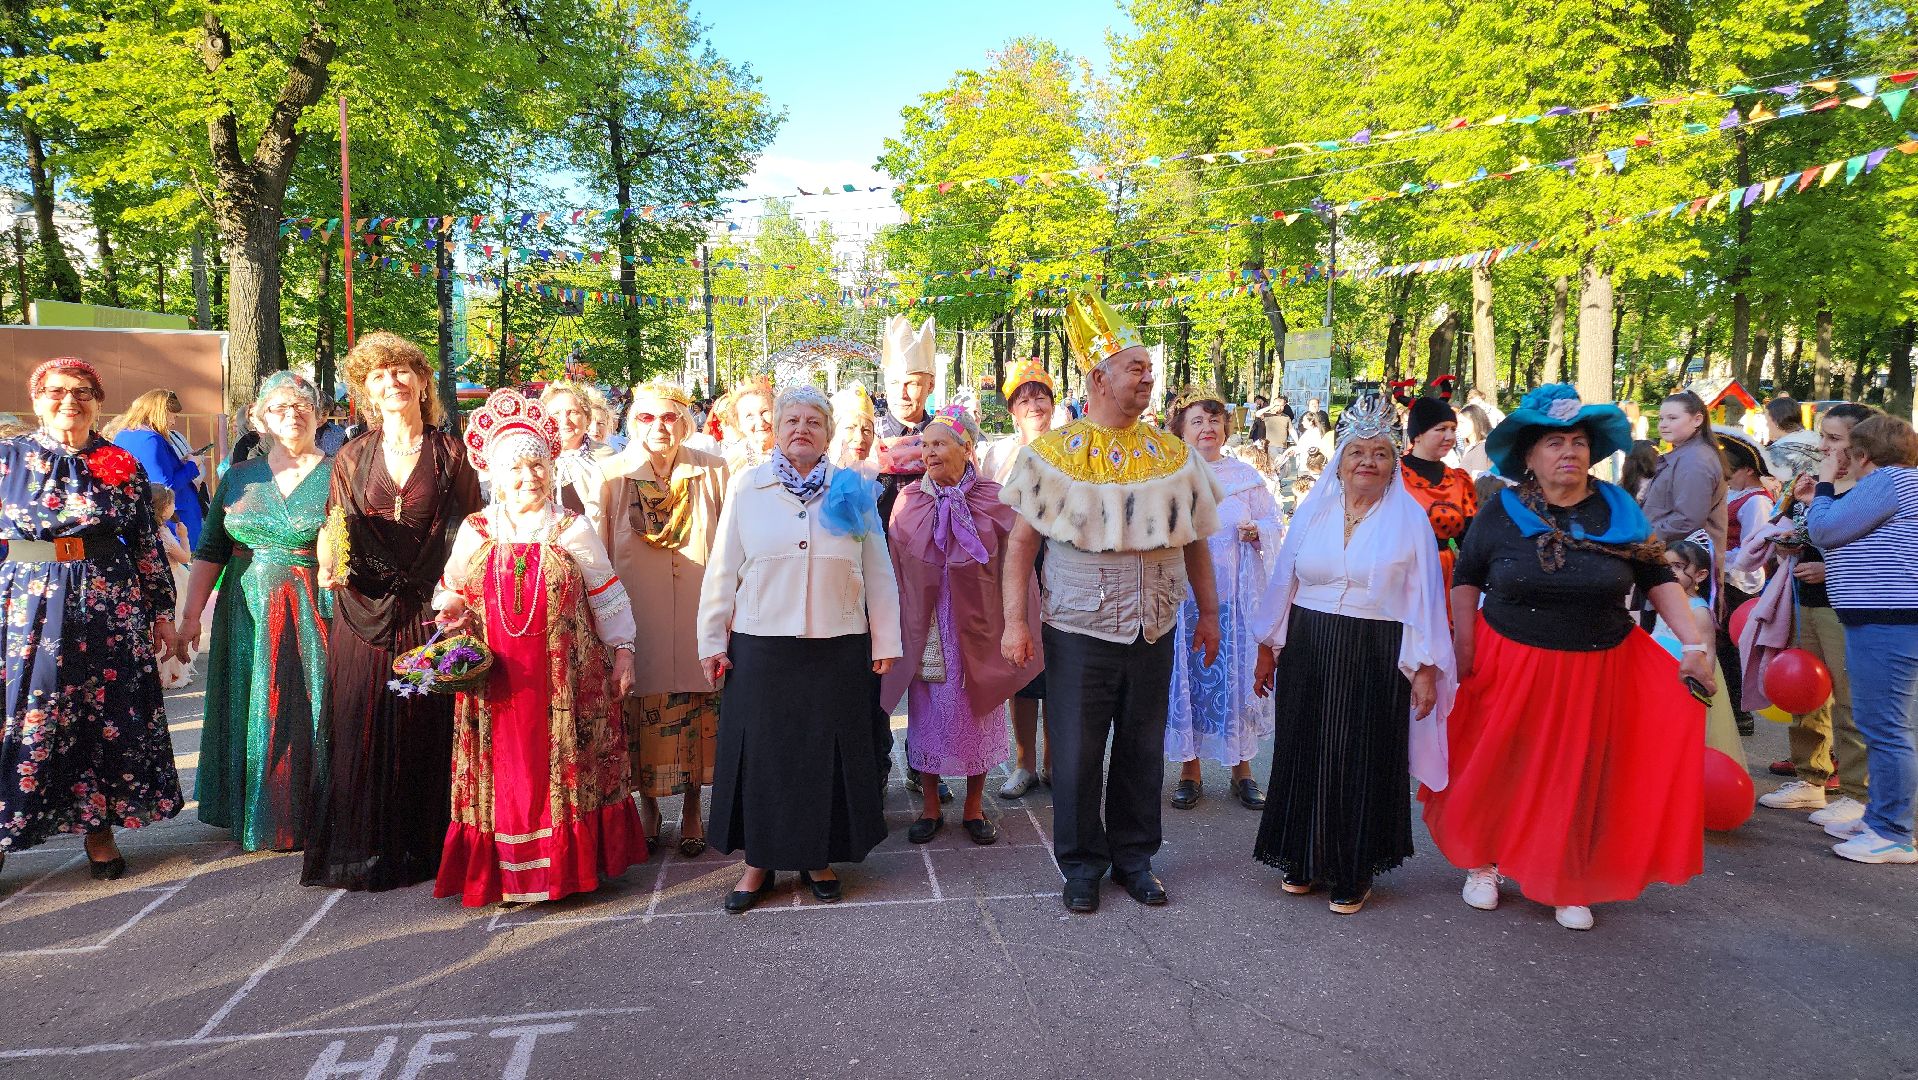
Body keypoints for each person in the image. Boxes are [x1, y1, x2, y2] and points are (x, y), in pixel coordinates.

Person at [1423, 384, 1713, 932]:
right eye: (1555, 442)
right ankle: (1485, 863)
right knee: (1499, 763)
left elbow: (1656, 578)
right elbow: (1467, 577)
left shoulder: (1621, 510)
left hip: (1599, 665)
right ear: (1530, 456)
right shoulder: (1502, 510)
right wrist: (1464, 649)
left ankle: (1565, 874)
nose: (1569, 452)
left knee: (1579, 775)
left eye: (1578, 442)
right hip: (1511, 659)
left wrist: (1694, 646)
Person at [998, 291, 1224, 914]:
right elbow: (1020, 547)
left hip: (1155, 628)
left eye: (1150, 369)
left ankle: (1134, 858)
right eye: (1136, 367)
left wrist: (1207, 614)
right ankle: (1080, 865)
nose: (1148, 377)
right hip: (1078, 629)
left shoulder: (1173, 454)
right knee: (1074, 753)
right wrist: (1017, 622)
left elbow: (1196, 541)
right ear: (1098, 377)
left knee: (1141, 749)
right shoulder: (1049, 455)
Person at [429, 390, 645, 907]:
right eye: (516, 470)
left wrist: (624, 652)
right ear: (496, 478)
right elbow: (450, 588)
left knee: (558, 764)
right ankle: (506, 873)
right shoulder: (477, 529)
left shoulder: (571, 528)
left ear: (552, 469)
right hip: (496, 681)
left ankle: (566, 868)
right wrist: (451, 611)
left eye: (538, 466)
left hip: (564, 678)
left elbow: (606, 592)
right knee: (508, 773)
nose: (529, 478)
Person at [699, 386, 902, 911]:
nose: (801, 429)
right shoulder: (749, 486)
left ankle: (818, 857)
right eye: (791, 419)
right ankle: (757, 864)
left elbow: (878, 571)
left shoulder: (854, 489)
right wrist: (710, 639)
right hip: (761, 645)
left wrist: (886, 638)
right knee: (763, 756)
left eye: (813, 421)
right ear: (776, 428)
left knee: (822, 756)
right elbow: (723, 569)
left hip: (838, 644)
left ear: (828, 433)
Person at [1248, 395, 1453, 914]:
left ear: (1394, 464)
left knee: (1360, 755)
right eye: (1357, 452)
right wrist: (1269, 649)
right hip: (1311, 642)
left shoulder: (1410, 522)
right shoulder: (1313, 514)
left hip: (1376, 649)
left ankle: (1353, 866)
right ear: (1338, 461)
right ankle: (1304, 853)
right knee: (1305, 746)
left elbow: (1426, 602)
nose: (1368, 462)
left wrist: (1426, 670)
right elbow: (1283, 583)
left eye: (1380, 453)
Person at [306, 332, 482, 892]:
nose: (393, 382)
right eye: (379, 376)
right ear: (365, 390)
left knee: (424, 720)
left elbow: (475, 527)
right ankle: (367, 846)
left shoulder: (451, 454)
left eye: (402, 372)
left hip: (431, 610)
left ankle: (426, 846)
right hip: (361, 609)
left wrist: (463, 597)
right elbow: (333, 524)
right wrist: (327, 562)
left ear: (423, 382)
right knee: (361, 716)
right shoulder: (352, 455)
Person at [0, 358, 182, 880]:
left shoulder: (119, 462)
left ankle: (98, 831)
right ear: (36, 400)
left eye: (82, 392)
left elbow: (146, 542)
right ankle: (7, 829)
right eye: (56, 392)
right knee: (26, 713)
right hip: (24, 604)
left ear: (98, 402)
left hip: (107, 603)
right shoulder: (9, 459)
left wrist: (162, 613)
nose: (69, 401)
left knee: (103, 717)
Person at [175, 372, 335, 852]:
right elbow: (210, 549)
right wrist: (189, 619)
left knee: (310, 702)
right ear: (259, 418)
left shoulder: (341, 470)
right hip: (246, 607)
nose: (292, 413)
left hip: (314, 605)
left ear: (321, 415)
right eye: (279, 406)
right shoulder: (238, 475)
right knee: (254, 701)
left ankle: (315, 811)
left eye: (302, 404)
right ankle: (256, 807)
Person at [883, 407, 1041, 844]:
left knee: (980, 709)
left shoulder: (995, 497)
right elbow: (896, 565)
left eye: (939, 444)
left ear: (966, 448)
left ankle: (974, 807)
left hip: (981, 620)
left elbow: (1017, 565)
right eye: (925, 444)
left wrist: (1016, 621)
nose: (929, 452)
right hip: (928, 622)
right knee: (927, 711)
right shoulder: (910, 499)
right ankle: (931, 806)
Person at [598, 380, 730, 858]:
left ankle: (694, 807)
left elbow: (734, 543)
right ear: (633, 423)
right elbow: (596, 551)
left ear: (686, 422)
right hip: (638, 618)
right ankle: (649, 807)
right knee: (641, 710)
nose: (660, 427)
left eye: (670, 417)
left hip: (701, 614)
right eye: (647, 418)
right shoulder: (611, 475)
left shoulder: (714, 471)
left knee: (699, 709)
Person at [1801, 413, 1918, 864]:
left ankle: (1893, 831)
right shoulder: (1900, 483)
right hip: (1886, 619)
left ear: (1863, 453)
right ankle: (1880, 819)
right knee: (1883, 725)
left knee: (1886, 728)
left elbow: (1826, 530)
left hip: (1887, 620)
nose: (1834, 454)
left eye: (1842, 448)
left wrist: (1827, 485)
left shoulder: (1887, 481)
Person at [1164, 389, 1281, 812]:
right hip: (1184, 601)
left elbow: (1274, 522)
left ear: (1226, 428)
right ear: (1181, 430)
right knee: (1189, 682)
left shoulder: (1247, 478)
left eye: (1214, 420)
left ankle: (1242, 770)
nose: (1207, 428)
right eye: (1196, 421)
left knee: (1235, 676)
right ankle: (1189, 772)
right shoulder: (1172, 475)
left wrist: (1258, 530)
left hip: (1234, 601)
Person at [1760, 403, 1873, 822]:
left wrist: (1829, 568)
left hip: (1845, 608)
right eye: (1822, 436)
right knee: (1806, 692)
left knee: (1849, 700)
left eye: (1834, 438)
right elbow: (1798, 530)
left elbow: (1880, 555)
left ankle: (1857, 793)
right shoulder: (1815, 484)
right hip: (1804, 601)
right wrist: (1787, 542)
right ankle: (1811, 778)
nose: (1822, 446)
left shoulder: (1872, 489)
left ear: (1862, 444)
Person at [979, 358, 1058, 798]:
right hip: (1014, 568)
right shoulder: (998, 455)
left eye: (1040, 395)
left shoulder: (1073, 446)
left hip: (1062, 568)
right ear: (1012, 408)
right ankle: (1024, 763)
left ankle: (1054, 763)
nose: (1033, 404)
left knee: (1062, 669)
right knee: (1022, 670)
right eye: (1024, 398)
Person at [1654, 536, 1746, 767]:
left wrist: (1701, 690)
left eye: (1677, 566)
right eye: (1666, 566)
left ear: (1700, 575)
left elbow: (1708, 653)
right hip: (1660, 676)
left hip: (1685, 681)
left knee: (1684, 735)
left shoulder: (1699, 611)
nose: (1669, 572)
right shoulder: (1665, 600)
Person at [1718, 433, 1775, 733]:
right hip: (1725, 578)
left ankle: (1741, 714)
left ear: (1748, 470)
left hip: (1741, 583)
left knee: (1732, 647)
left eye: (1730, 473)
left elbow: (1755, 548)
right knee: (1723, 647)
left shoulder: (1756, 503)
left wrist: (1719, 561)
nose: (1726, 479)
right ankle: (1731, 711)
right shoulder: (1736, 496)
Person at [1399, 395, 1479, 594]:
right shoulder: (1392, 477)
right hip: (1400, 577)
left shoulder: (1460, 481)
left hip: (1443, 578)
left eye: (1453, 429)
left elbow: (1470, 541)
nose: (1450, 437)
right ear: (1418, 435)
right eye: (1441, 429)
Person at [1642, 389, 1729, 571]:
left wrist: (1644, 535)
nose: (1663, 425)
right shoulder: (1687, 454)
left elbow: (1687, 520)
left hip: (1684, 565)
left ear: (1697, 420)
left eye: (1672, 418)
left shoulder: (1696, 460)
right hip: (1669, 557)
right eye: (1661, 419)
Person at [110, 388, 207, 548]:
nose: (173, 422)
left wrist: (179, 464)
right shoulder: (151, 439)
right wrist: (192, 465)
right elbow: (164, 487)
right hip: (173, 521)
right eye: (173, 416)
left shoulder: (123, 435)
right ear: (161, 412)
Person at [540, 380, 617, 529]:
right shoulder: (533, 458)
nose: (564, 421)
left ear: (587, 418)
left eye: (573, 412)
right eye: (556, 414)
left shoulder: (608, 458)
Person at [1763, 396, 1821, 484]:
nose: (1766, 425)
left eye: (1767, 420)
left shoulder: (1776, 453)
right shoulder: (1820, 442)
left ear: (1777, 421)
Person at [722, 376, 775, 472]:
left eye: (765, 411)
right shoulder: (729, 464)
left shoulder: (795, 454)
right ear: (738, 424)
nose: (760, 421)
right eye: (749, 416)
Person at [830, 382, 878, 469]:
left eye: (866, 430)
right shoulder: (812, 480)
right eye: (850, 428)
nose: (860, 439)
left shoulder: (880, 480)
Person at [1454, 403, 1493, 476]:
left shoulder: (1482, 448)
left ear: (1476, 422)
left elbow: (1479, 480)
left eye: (1462, 423)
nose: (1458, 427)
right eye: (1457, 423)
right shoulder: (1468, 446)